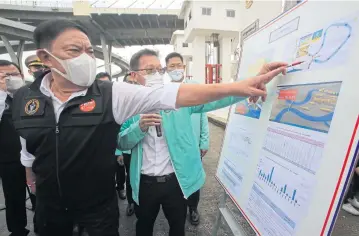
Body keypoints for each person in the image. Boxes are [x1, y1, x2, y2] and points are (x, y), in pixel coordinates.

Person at [9, 19, 286, 236]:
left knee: (177, 225)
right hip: (64, 202)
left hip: (128, 197)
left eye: (89, 51)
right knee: (144, 225)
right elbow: (30, 147)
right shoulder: (25, 99)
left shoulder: (114, 95)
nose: (85, 58)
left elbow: (200, 95)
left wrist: (247, 84)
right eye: (74, 51)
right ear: (45, 58)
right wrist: (31, 180)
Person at [118, 48, 286, 236]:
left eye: (159, 70)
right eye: (150, 71)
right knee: (144, 226)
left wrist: (254, 81)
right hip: (145, 183)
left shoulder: (175, 99)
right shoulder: (127, 105)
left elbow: (216, 97)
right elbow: (121, 143)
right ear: (134, 75)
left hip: (176, 181)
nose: (157, 75)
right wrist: (138, 128)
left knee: (177, 225)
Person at [165, 52, 209, 225]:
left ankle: (193, 208)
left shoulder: (194, 87)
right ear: (166, 69)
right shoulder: (166, 92)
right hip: (176, 144)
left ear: (184, 67)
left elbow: (203, 115)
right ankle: (180, 208)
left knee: (194, 177)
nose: (176, 69)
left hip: (193, 144)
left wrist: (203, 141)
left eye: (179, 65)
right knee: (178, 179)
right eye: (172, 66)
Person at [0, 60, 29, 236]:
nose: (9, 79)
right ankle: (18, 230)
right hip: (9, 159)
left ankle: (45, 225)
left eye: (14, 75)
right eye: (4, 76)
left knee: (42, 194)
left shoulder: (32, 95)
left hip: (37, 156)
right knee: (14, 197)